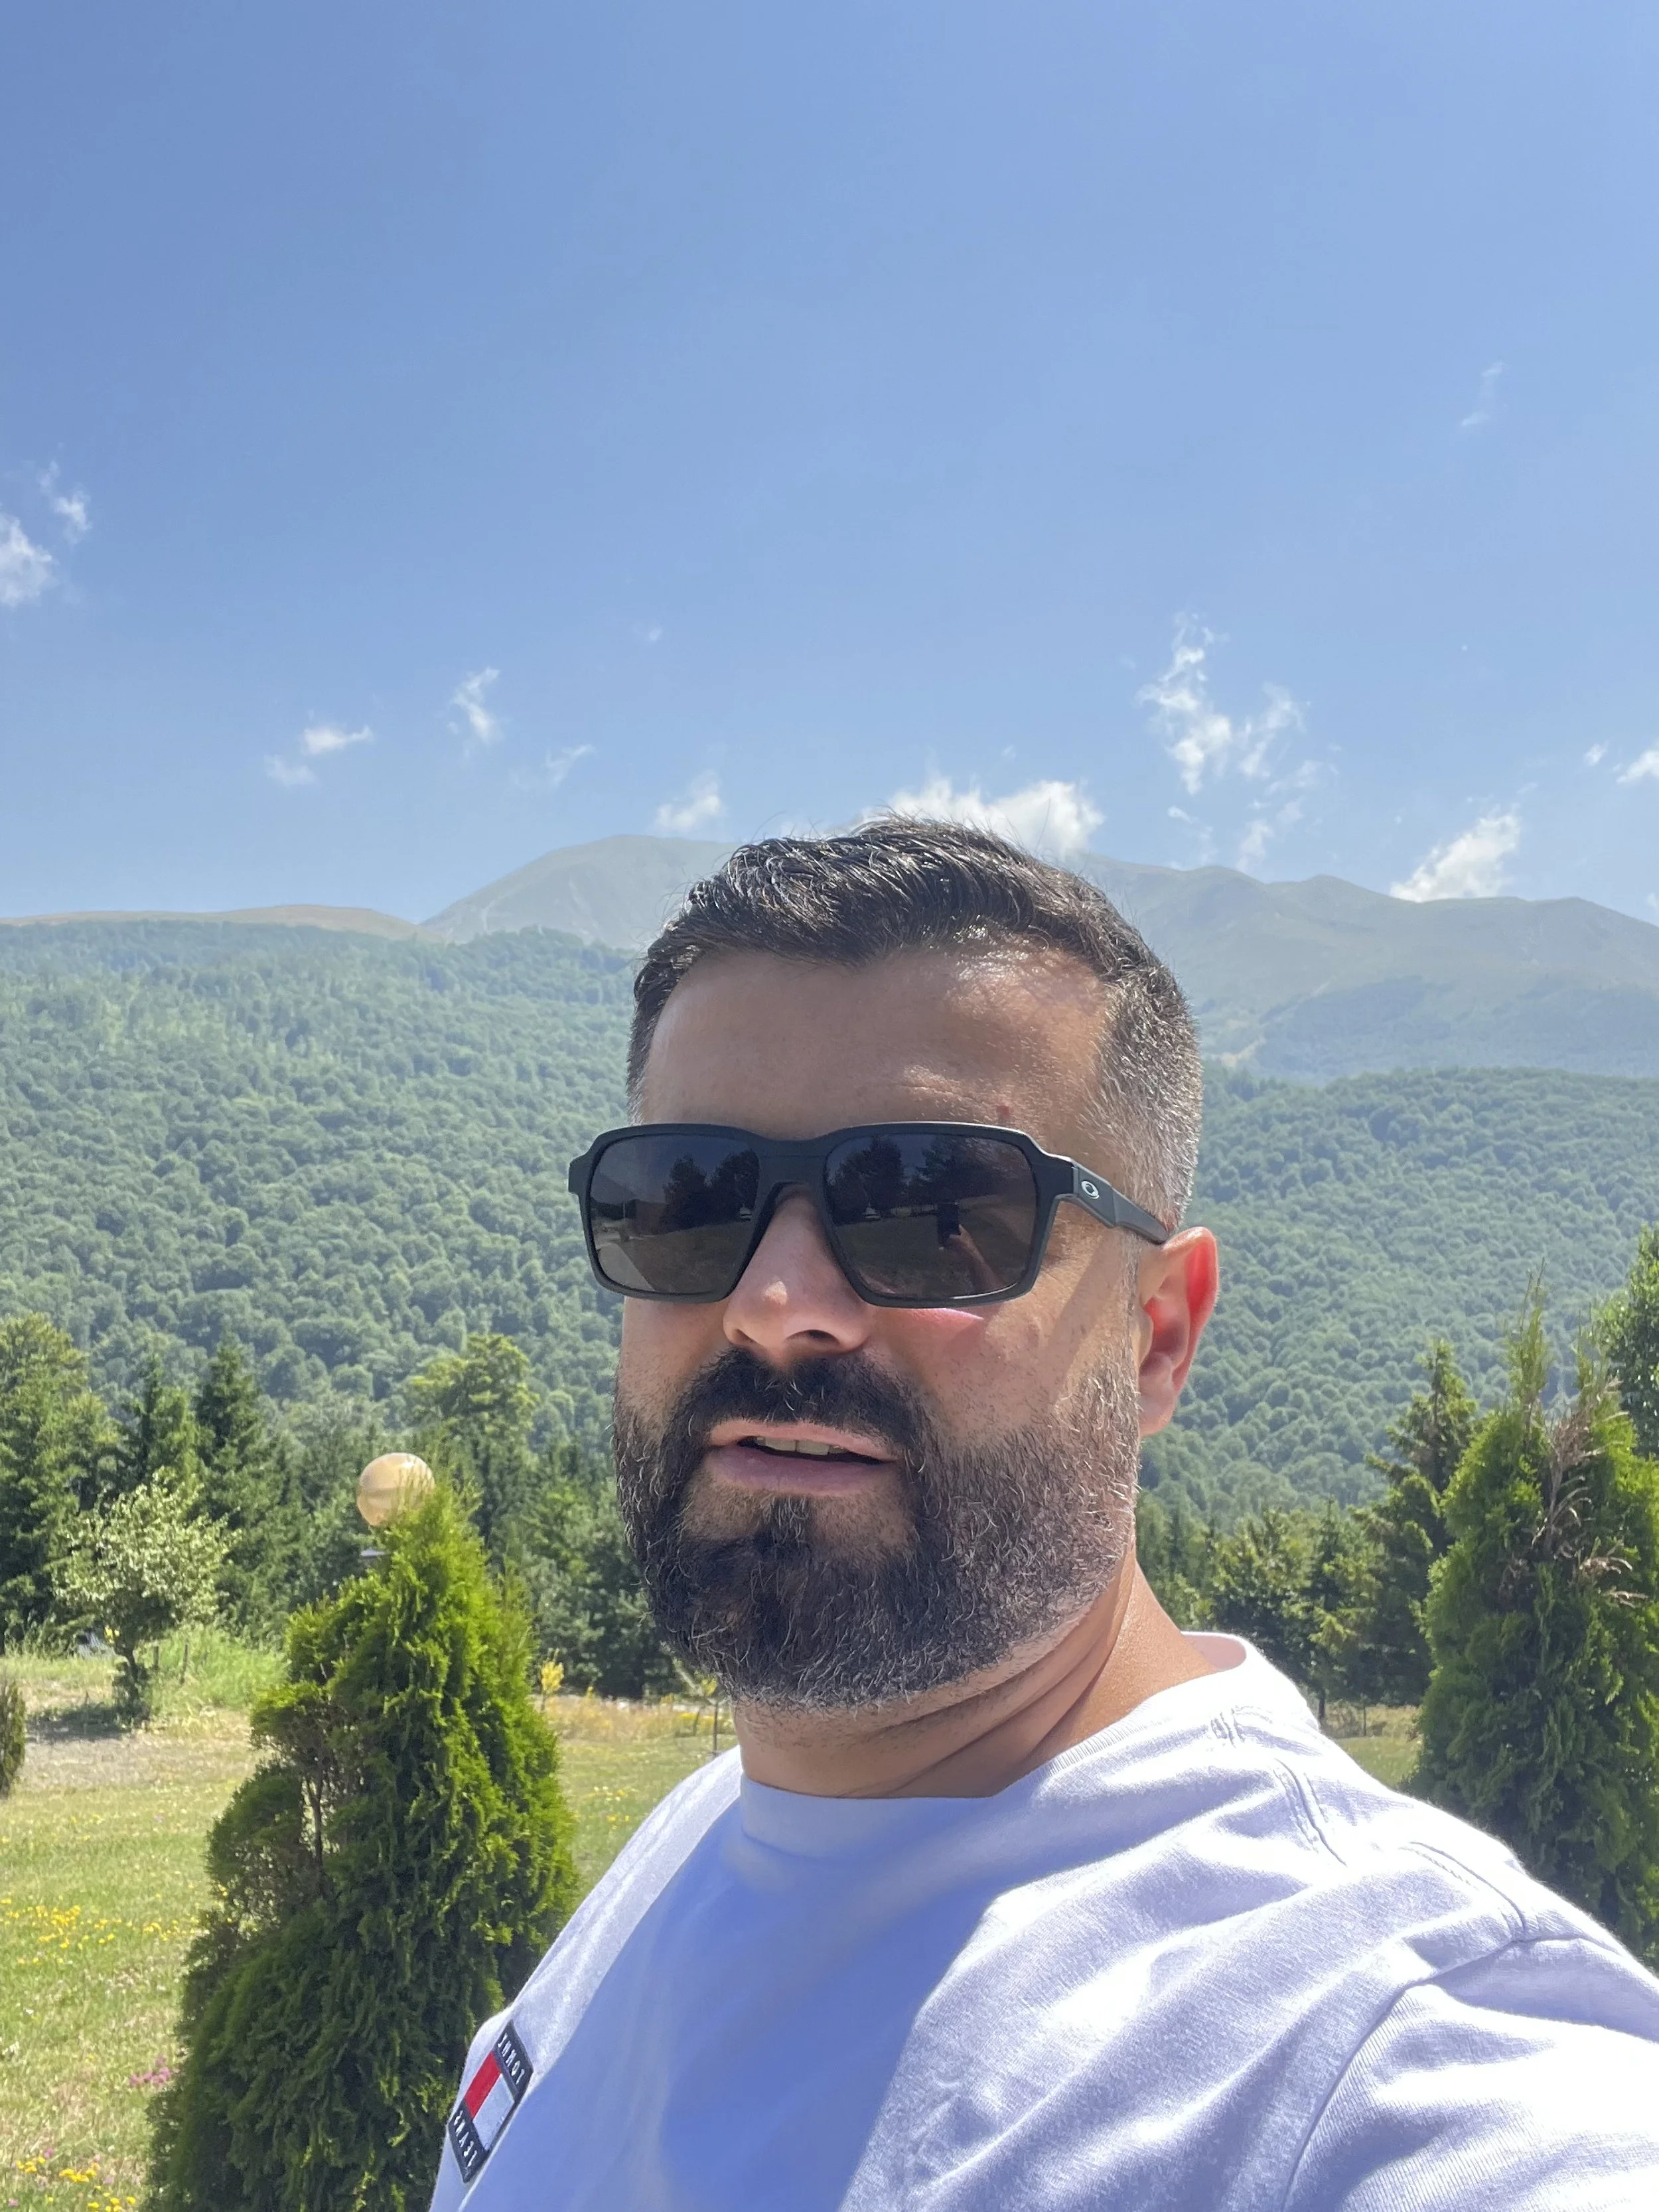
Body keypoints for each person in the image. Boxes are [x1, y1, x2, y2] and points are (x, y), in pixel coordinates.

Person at [431, 821, 1659, 2211]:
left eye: (929, 1208)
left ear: (1156, 1335)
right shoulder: (701, 1843)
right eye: (687, 1201)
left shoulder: (1377, 2051)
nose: (775, 1300)